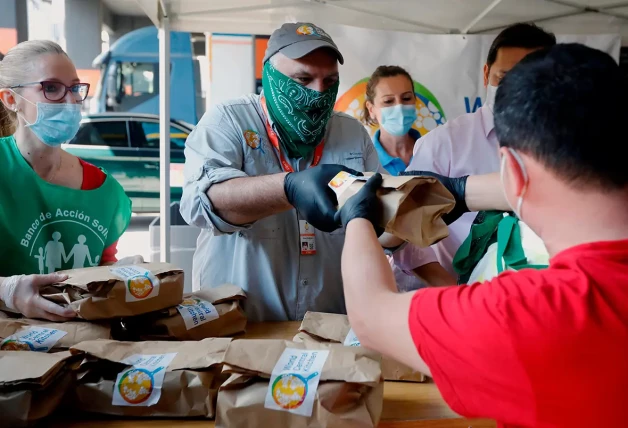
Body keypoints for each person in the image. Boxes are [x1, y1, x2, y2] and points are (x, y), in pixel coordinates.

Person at [338, 43, 628, 426]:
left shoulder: (528, 314)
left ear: (511, 171)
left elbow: (369, 314)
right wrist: (459, 191)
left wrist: (356, 214)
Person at [181, 22, 384, 322]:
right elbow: (201, 205)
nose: (317, 93)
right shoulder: (229, 121)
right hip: (241, 328)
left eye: (329, 82)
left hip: (328, 329)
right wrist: (287, 188)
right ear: (270, 76)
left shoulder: (351, 134)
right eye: (303, 79)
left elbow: (381, 222)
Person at [396, 23, 556, 279]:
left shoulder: (567, 146)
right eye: (503, 78)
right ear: (486, 74)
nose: (516, 90)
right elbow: (404, 233)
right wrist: (451, 295)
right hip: (453, 296)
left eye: (531, 80)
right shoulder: (444, 143)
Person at [0, 40, 134, 321]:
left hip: (80, 349)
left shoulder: (104, 191)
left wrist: (124, 274)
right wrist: (7, 290)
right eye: (51, 88)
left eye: (75, 88)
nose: (71, 101)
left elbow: (102, 266)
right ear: (11, 99)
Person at [362, 65, 454, 289]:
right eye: (388, 101)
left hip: (444, 276)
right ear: (371, 108)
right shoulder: (365, 161)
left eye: (406, 98)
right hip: (384, 285)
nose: (399, 107)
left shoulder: (437, 151)